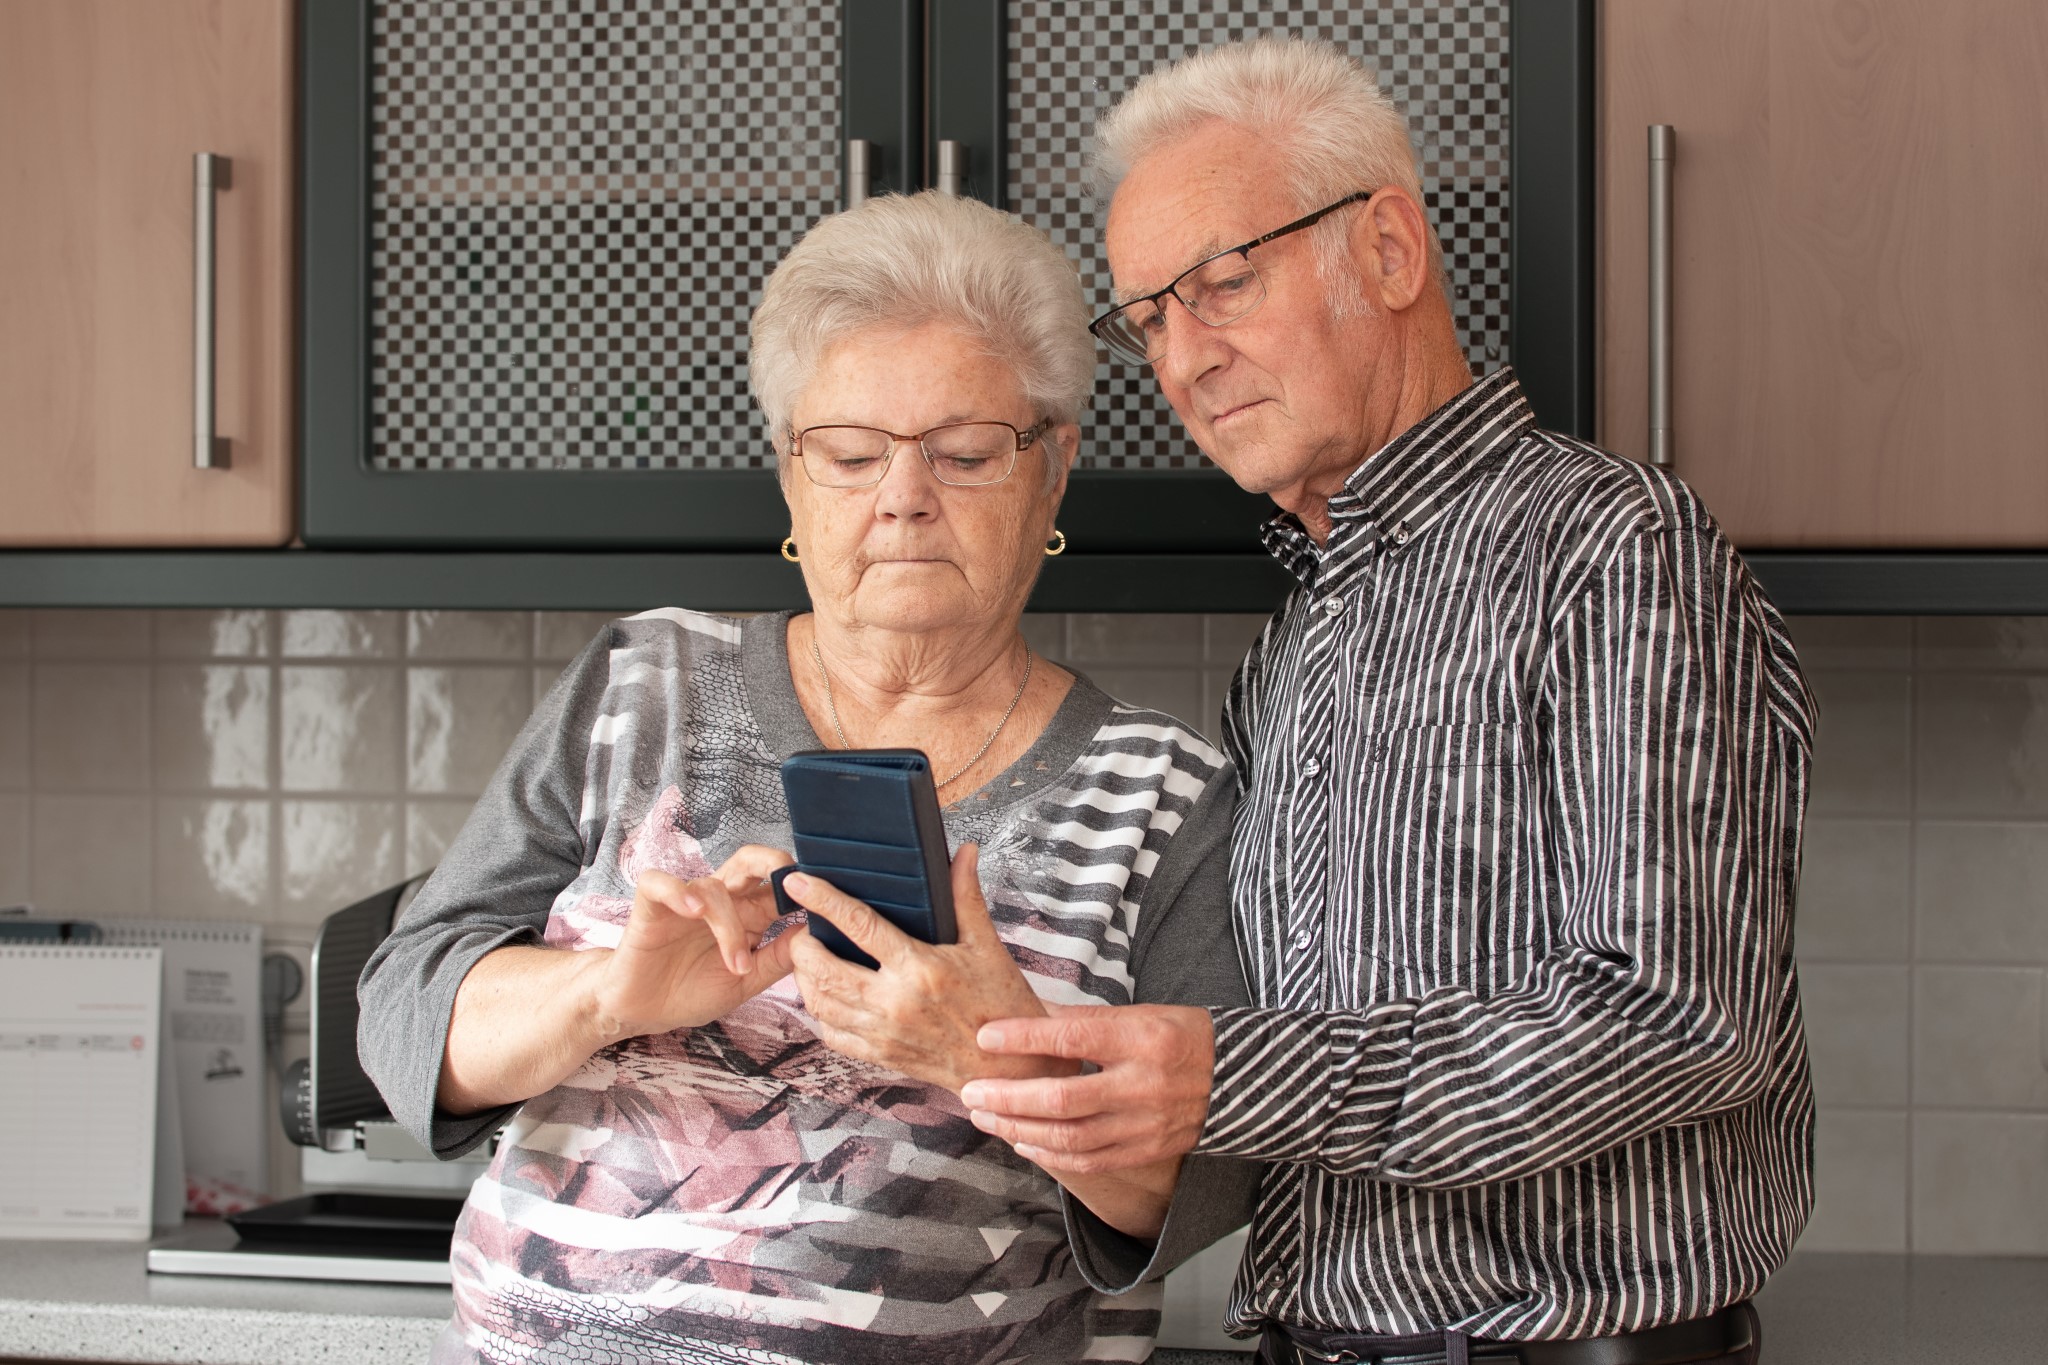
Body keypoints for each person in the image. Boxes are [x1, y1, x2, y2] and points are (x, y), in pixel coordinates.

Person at [955, 39, 1814, 1365]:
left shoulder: (1611, 546)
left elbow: (1675, 1018)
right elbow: (1240, 1070)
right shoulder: (1300, 639)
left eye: (1221, 284)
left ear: (1392, 252)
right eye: (1148, 322)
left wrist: (1227, 1077)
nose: (1184, 361)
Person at [356, 189, 1257, 1365]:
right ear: (790, 477)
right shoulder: (641, 682)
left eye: (965, 451)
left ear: (1052, 470)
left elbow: (1200, 1193)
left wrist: (985, 1051)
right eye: (846, 453)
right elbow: (403, 1012)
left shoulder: (1164, 797)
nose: (901, 496)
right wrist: (608, 995)